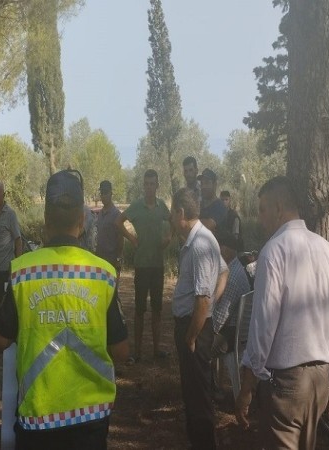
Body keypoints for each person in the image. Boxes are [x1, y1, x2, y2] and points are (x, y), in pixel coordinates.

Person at [0, 169, 129, 450]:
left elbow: (0, 341)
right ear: (82, 220)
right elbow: (121, 351)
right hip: (91, 419)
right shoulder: (103, 274)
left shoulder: (22, 272)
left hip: (38, 419)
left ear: (45, 219)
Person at [235, 176, 329, 450]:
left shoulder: (273, 252)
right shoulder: (328, 251)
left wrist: (246, 388)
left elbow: (263, 326)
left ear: (278, 208)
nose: (259, 218)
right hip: (319, 379)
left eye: (262, 209)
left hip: (287, 382)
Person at [169, 187, 228, 450]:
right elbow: (224, 272)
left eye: (173, 213)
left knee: (198, 395)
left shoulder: (200, 244)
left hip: (194, 327)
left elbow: (202, 299)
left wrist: (192, 336)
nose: (171, 219)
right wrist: (210, 302)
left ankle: (204, 444)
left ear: (181, 213)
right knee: (193, 391)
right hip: (196, 324)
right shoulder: (201, 239)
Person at [116, 169, 171, 364]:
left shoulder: (162, 206)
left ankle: (156, 350)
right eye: (146, 184)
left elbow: (173, 221)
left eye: (152, 184)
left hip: (157, 264)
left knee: (157, 309)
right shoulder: (136, 206)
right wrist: (131, 237)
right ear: (143, 185)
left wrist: (169, 237)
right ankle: (138, 352)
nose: (149, 187)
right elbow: (118, 222)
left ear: (157, 186)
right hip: (141, 265)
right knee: (139, 310)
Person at [211, 231, 251, 357]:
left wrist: (199, 330)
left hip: (230, 334)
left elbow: (220, 319)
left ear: (225, 251)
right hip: (236, 330)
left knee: (197, 343)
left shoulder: (231, 277)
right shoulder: (236, 267)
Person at [0, 181, 23, 309]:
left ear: (4, 195)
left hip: (5, 270)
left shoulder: (10, 214)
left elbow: (18, 240)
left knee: (5, 306)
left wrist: (17, 267)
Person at [95, 180, 123, 273]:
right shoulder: (100, 214)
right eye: (102, 193)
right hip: (99, 261)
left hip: (112, 262)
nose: (104, 196)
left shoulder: (117, 215)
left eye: (106, 193)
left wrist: (118, 259)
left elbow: (120, 239)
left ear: (111, 193)